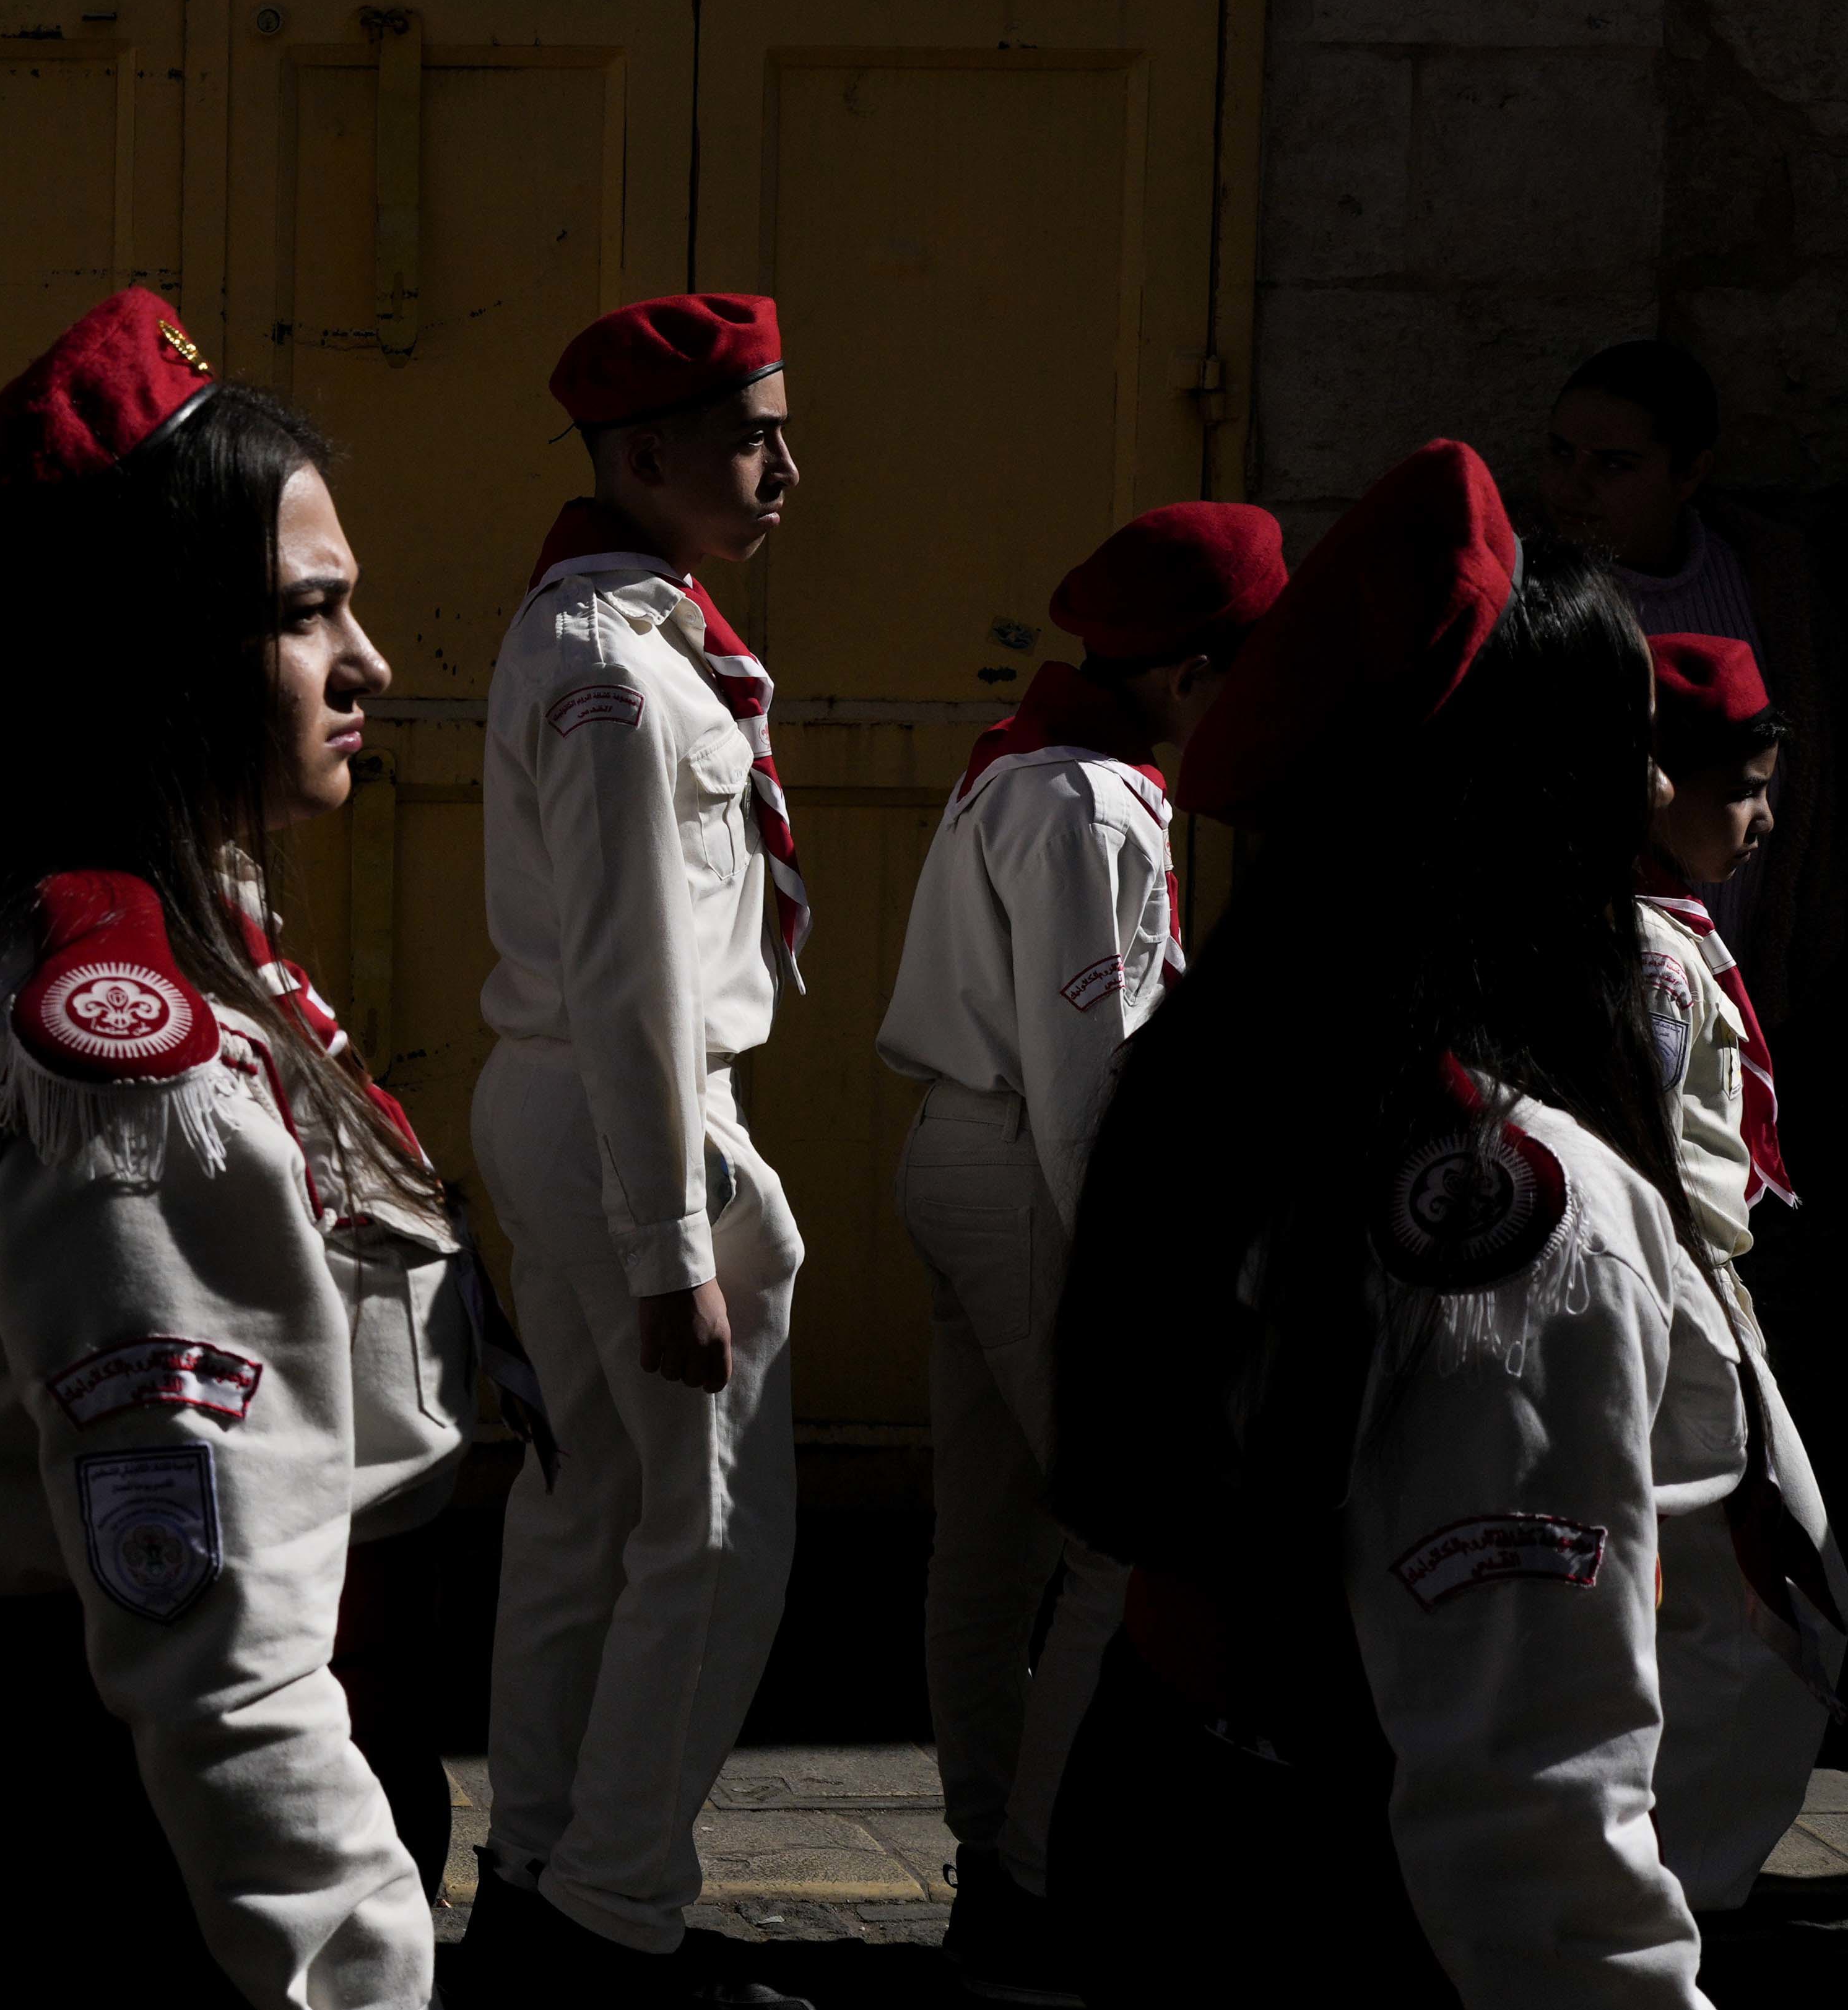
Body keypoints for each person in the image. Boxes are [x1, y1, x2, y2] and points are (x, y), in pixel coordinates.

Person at [0, 287, 450, 2003]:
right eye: (307, 616)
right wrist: (354, 1970)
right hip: (115, 1855)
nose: (371, 668)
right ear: (161, 648)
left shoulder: (83, 938)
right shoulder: (120, 1061)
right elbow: (216, 1653)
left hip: (21, 1811)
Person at [1043, 441, 1788, 2007]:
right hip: (1348, 1897)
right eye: (1626, 750)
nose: (1655, 795)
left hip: (1181, 1836)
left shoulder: (1251, 1058)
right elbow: (1526, 1783)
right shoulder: (1504, 1204)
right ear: (1530, 799)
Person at [870, 500, 1288, 2002]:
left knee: (983, 1540)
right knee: (1118, 1534)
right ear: (1191, 673)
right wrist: (1148, 1269)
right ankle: (1033, 1879)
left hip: (965, 1154)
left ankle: (994, 1850)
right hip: (1037, 1174)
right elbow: (1083, 1073)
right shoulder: (1086, 802)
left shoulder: (1028, 760)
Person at [462, 293, 817, 2009]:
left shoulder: (636, 633)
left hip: (590, 1096)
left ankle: (541, 1870)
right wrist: (670, 1237)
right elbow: (623, 967)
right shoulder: (609, 662)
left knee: (590, 1507)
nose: (783, 469)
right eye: (752, 436)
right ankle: (607, 1913)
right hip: (632, 1104)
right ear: (646, 455)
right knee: (708, 1527)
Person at [1631, 635, 1842, 1934]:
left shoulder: (1659, 929)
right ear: (1654, 784)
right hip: (1673, 1305)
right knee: (1785, 1613)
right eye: (1742, 790)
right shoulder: (1646, 955)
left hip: (1692, 1293)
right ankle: (1673, 1900)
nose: (1764, 821)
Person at [1546, 339, 1823, 1020]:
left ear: (1691, 471)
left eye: (1614, 465)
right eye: (1560, 453)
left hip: (1741, 985)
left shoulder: (1768, 584)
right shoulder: (1538, 605)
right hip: (1592, 997)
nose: (1571, 486)